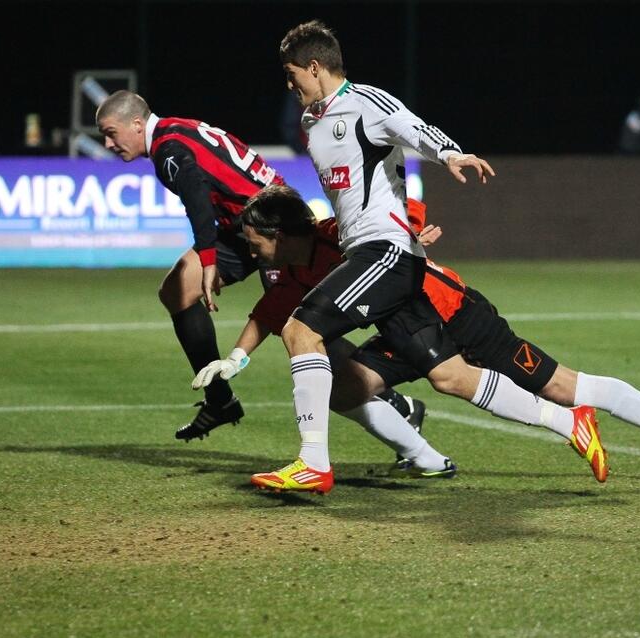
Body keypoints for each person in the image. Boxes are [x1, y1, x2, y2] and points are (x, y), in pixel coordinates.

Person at [242, 21, 610, 495]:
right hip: (382, 257)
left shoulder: (365, 103)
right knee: (451, 376)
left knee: (300, 330)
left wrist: (450, 154)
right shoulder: (313, 123)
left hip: (385, 253)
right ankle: (568, 422)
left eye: (293, 73)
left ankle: (313, 462)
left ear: (315, 66)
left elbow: (411, 127)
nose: (289, 84)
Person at [192, 196, 456, 478]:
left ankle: (326, 462)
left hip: (439, 318)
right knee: (341, 388)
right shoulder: (295, 269)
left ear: (279, 237)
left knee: (472, 383)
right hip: (405, 331)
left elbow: (406, 204)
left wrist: (408, 232)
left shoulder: (339, 234)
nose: (252, 253)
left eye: (254, 244)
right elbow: (269, 314)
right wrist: (234, 360)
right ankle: (428, 458)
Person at [93, 90, 287, 441]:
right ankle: (220, 401)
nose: (108, 144)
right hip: (244, 225)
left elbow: (196, 198)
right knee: (177, 290)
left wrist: (209, 260)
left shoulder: (168, 149)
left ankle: (392, 404)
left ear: (136, 124)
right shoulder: (173, 131)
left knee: (301, 329)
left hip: (276, 229)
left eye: (110, 132)